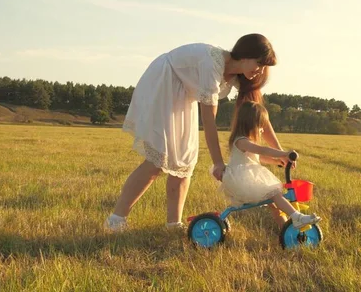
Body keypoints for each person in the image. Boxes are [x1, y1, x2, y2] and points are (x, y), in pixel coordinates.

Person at [104, 33, 288, 231]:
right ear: (245, 56)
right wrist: (218, 163)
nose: (259, 70)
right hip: (166, 81)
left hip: (184, 92)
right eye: (259, 63)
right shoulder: (212, 66)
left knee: (185, 162)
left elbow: (259, 115)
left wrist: (280, 152)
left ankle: (173, 224)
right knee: (157, 159)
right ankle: (116, 220)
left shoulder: (239, 74)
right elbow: (209, 121)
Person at [216, 101, 321, 228]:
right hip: (241, 182)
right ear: (251, 124)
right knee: (274, 194)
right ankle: (296, 217)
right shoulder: (241, 141)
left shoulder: (244, 141)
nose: (262, 130)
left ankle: (285, 228)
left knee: (275, 205)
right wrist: (284, 153)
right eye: (261, 126)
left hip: (244, 180)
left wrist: (277, 161)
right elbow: (262, 150)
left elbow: (259, 157)